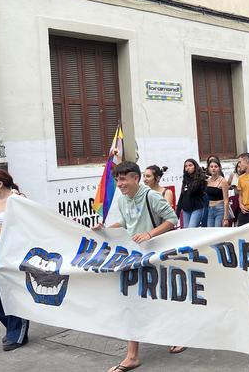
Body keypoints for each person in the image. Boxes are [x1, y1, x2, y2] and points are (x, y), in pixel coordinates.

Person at [95, 162, 178, 372]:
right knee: (133, 302)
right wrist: (104, 230)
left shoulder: (151, 196)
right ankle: (132, 356)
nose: (119, 184)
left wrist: (150, 234)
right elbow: (125, 222)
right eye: (117, 180)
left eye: (123, 179)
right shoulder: (123, 200)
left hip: (156, 257)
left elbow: (172, 219)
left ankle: (177, 335)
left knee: (162, 298)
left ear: (135, 178)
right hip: (133, 258)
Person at [0, 169, 29, 351]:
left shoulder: (18, 199)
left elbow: (30, 223)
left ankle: (17, 334)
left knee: (14, 293)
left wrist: (18, 198)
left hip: (13, 249)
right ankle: (13, 327)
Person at [176, 158, 207, 228]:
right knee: (186, 230)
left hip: (197, 208)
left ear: (195, 167)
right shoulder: (186, 179)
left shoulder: (200, 179)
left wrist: (187, 178)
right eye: (186, 166)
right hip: (186, 209)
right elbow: (182, 196)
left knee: (191, 228)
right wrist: (177, 213)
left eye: (190, 165)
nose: (188, 168)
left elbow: (192, 190)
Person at [205, 157, 230, 227]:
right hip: (210, 209)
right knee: (210, 232)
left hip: (220, 209)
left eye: (216, 167)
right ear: (209, 168)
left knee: (218, 231)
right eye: (211, 167)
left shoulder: (223, 181)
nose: (213, 168)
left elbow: (226, 200)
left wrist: (225, 218)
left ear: (219, 168)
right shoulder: (207, 181)